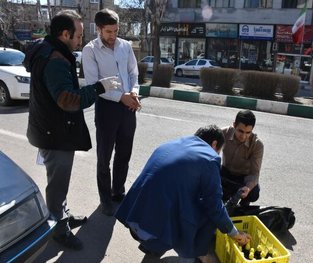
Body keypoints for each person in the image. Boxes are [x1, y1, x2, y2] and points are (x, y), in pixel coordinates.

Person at [23, 10, 120, 250]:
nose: (81, 40)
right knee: (57, 186)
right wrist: (98, 88)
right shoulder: (55, 58)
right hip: (54, 134)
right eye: (77, 35)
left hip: (50, 129)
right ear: (64, 34)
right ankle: (58, 230)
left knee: (60, 182)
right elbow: (67, 100)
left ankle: (62, 216)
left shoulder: (48, 50)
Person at [114, 125, 251, 262]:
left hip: (133, 217)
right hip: (152, 231)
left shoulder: (171, 144)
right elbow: (214, 206)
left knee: (184, 202)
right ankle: (192, 256)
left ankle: (154, 249)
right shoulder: (209, 158)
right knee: (209, 214)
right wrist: (235, 233)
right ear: (214, 144)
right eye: (219, 151)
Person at [82, 8, 140, 216]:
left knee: (124, 153)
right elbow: (92, 84)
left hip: (128, 107)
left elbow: (133, 72)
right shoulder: (90, 51)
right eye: (108, 32)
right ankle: (105, 199)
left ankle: (118, 192)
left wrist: (133, 92)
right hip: (107, 108)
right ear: (98, 29)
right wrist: (120, 97)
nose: (113, 36)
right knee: (104, 156)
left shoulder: (125, 46)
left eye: (115, 31)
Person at [221, 110, 264, 207]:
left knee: (254, 193)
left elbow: (254, 173)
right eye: (240, 131)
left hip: (243, 179)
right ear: (234, 125)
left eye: (248, 132)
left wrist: (248, 188)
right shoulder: (223, 133)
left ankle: (243, 204)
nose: (243, 136)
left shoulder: (257, 145)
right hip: (225, 173)